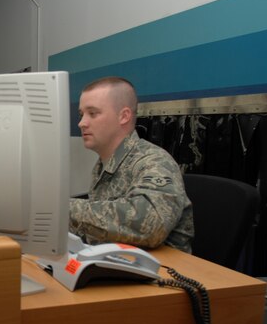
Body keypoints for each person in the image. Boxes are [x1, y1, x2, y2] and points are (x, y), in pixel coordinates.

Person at [69, 76, 193, 253]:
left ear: (124, 116)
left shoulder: (153, 161)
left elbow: (151, 225)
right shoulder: (103, 165)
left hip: (162, 273)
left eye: (93, 113)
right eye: (82, 115)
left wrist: (59, 209)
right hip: (121, 264)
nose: (81, 123)